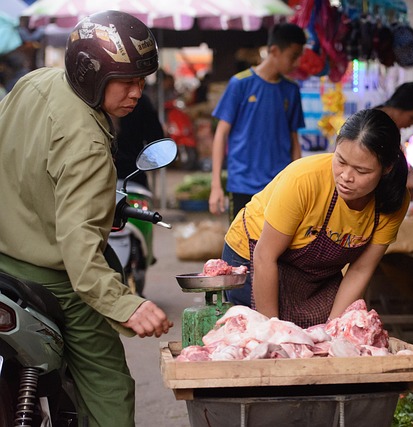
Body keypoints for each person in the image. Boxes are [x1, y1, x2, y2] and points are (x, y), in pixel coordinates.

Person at [0, 11, 173, 427]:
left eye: (141, 81)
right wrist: (128, 305)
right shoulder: (90, 146)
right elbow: (81, 259)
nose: (137, 93)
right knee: (109, 381)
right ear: (89, 73)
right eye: (126, 81)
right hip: (51, 278)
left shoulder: (33, 83)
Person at [222, 109, 410, 328]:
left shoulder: (392, 201)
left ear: (386, 169)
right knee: (266, 343)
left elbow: (360, 269)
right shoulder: (304, 179)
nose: (346, 177)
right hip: (255, 257)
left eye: (361, 171)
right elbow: (265, 255)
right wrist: (272, 332)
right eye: (340, 161)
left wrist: (333, 330)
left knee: (322, 340)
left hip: (314, 274)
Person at [208, 23, 307, 222]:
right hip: (242, 185)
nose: (296, 63)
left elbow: (294, 140)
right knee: (240, 248)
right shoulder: (240, 83)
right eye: (293, 56)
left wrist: (299, 186)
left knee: (277, 250)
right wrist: (216, 185)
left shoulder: (291, 90)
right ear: (274, 51)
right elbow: (221, 133)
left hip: (279, 186)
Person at [114, 91, 165, 188]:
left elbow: (156, 139)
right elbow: (156, 137)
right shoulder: (141, 100)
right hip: (132, 177)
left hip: (131, 177)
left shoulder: (90, 100)